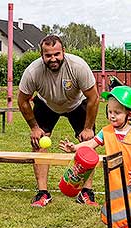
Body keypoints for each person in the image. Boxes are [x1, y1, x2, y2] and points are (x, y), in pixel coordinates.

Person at [59, 86, 131, 228]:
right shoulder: (107, 131)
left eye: (117, 112)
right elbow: (92, 143)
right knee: (115, 215)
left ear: (129, 115)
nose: (112, 115)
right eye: (110, 111)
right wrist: (75, 148)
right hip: (115, 182)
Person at [18, 35, 99, 207]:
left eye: (57, 54)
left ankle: (86, 192)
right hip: (47, 103)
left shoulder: (78, 66)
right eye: (48, 55)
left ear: (63, 52)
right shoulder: (33, 72)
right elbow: (22, 100)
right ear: (42, 56)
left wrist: (88, 128)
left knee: (88, 143)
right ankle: (43, 193)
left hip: (76, 103)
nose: (53, 58)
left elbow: (93, 98)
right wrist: (34, 127)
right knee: (38, 142)